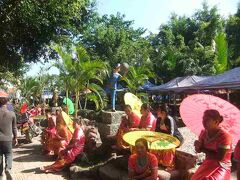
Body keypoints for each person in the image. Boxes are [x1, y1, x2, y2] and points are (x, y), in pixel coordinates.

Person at [191, 109, 232, 180]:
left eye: (207, 120)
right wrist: (197, 146)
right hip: (208, 162)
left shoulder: (225, 136)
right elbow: (198, 150)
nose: (204, 122)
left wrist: (202, 148)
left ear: (216, 121)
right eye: (203, 119)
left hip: (222, 165)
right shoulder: (203, 132)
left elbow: (220, 157)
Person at [152, 104, 184, 169]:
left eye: (158, 110)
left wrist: (163, 138)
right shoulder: (158, 119)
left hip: (175, 138)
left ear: (163, 112)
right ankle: (157, 161)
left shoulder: (170, 119)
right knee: (154, 144)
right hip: (163, 138)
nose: (157, 112)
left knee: (167, 146)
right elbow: (156, 132)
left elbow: (171, 134)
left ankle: (168, 164)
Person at [0, 97, 18, 179]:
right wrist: (15, 137)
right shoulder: (12, 114)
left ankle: (0, 174)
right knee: (8, 154)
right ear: (7, 103)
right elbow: (14, 128)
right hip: (7, 139)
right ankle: (8, 168)